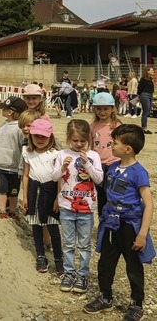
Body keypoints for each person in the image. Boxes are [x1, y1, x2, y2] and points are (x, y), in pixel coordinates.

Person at [84, 124, 155, 320]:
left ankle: (136, 304)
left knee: (133, 266)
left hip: (129, 227)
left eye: (113, 143)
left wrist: (142, 234)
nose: (110, 147)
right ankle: (105, 296)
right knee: (106, 262)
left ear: (128, 149)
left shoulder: (139, 172)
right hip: (110, 224)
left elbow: (148, 204)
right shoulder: (113, 167)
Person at [51, 119, 103, 294]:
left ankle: (83, 274)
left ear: (88, 138)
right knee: (68, 243)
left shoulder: (94, 156)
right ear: (68, 138)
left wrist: (87, 163)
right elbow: (54, 177)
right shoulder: (61, 154)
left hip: (86, 208)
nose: (79, 144)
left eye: (82, 140)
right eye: (75, 140)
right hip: (66, 205)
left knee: (84, 244)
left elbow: (99, 179)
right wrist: (63, 167)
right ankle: (69, 272)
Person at [22, 119, 63, 274]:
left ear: (50, 137)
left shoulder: (55, 154)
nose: (39, 140)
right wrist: (25, 197)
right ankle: (40, 255)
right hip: (34, 191)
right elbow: (26, 175)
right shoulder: (27, 152)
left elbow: (59, 178)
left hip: (50, 191)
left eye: (43, 137)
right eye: (36, 136)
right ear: (31, 136)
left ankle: (58, 258)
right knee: (36, 225)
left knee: (52, 226)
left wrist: (58, 198)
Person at [0, 96, 27, 219]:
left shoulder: (19, 129)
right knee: (1, 188)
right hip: (0, 166)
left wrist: (21, 167)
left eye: (4, 108)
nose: (2, 109)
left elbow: (23, 149)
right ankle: (2, 211)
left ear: (10, 111)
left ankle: (12, 211)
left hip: (14, 168)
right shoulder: (2, 126)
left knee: (14, 191)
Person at [90, 92, 122, 216]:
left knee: (113, 194)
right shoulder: (92, 127)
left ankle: (114, 220)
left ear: (112, 109)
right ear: (94, 109)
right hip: (98, 166)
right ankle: (103, 221)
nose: (102, 112)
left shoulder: (117, 126)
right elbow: (90, 145)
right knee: (101, 196)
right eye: (99, 109)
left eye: (105, 109)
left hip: (114, 165)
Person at [137, 67, 154, 134]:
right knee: (145, 111)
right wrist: (138, 95)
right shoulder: (143, 79)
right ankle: (144, 128)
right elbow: (140, 88)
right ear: (147, 71)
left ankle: (144, 127)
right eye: (151, 70)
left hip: (150, 95)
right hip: (144, 95)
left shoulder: (150, 79)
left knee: (148, 110)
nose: (153, 71)